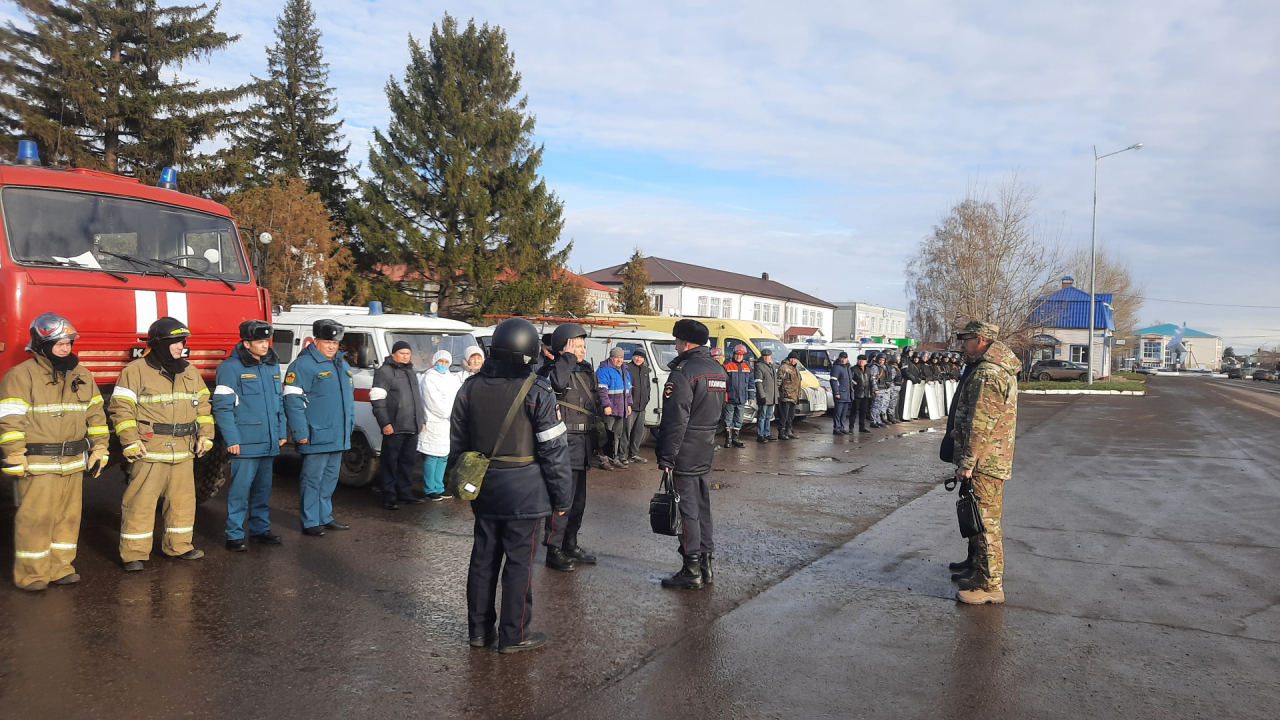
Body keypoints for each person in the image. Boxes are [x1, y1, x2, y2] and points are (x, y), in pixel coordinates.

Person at [449, 318, 572, 653]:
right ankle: (514, 635)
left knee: (483, 559)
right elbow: (554, 451)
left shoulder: (470, 387)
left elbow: (458, 442)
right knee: (519, 564)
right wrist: (563, 498)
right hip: (526, 492)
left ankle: (478, 632)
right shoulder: (537, 390)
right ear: (530, 350)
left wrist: (461, 481)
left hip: (484, 487)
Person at [1, 313, 109, 590]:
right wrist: (14, 454)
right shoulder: (20, 376)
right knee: (36, 519)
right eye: (58, 343)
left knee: (68, 519)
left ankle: (60, 568)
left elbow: (96, 416)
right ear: (41, 344)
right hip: (39, 463)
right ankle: (32, 575)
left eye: (68, 342)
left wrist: (100, 448)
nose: (65, 348)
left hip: (72, 462)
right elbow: (10, 419)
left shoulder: (83, 375)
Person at [111, 317, 214, 571]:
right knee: (141, 503)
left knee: (182, 502)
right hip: (150, 449)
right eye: (175, 342)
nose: (181, 346)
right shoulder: (134, 371)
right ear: (158, 344)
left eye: (182, 342)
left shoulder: (189, 371)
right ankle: (133, 554)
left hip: (183, 450)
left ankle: (178, 546)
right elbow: (121, 409)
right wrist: (130, 441)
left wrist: (206, 434)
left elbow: (203, 406)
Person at [947, 320, 1020, 605]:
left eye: (964, 340)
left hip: (984, 462)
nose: (961, 345)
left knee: (986, 525)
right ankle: (981, 576)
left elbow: (981, 424)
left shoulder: (988, 374)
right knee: (981, 522)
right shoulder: (993, 369)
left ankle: (990, 586)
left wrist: (966, 463)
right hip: (989, 460)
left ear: (979, 340)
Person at [656, 319, 727, 590]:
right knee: (702, 507)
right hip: (705, 446)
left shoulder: (684, 372)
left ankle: (691, 568)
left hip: (685, 449)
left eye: (676, 342)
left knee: (686, 510)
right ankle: (706, 565)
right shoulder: (717, 369)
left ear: (684, 343)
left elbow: (675, 420)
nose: (675, 347)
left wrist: (666, 456)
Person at [212, 320, 288, 552]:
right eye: (260, 342)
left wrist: (282, 431)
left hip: (268, 439)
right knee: (239, 491)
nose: (265, 346)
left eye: (266, 341)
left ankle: (259, 529)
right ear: (246, 343)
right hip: (245, 441)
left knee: (263, 489)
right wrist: (232, 439)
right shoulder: (230, 368)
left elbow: (279, 402)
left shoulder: (272, 366)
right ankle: (234, 534)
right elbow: (222, 407)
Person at [538, 322, 602, 570]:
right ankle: (553, 550)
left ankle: (570, 544)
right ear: (563, 347)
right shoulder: (550, 370)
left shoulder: (585, 371)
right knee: (561, 502)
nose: (581, 350)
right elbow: (555, 385)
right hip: (563, 445)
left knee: (578, 502)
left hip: (583, 444)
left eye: (583, 345)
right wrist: (565, 358)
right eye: (576, 345)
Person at [284, 319, 356, 536]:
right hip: (315, 434)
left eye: (335, 343)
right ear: (315, 341)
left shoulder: (342, 364)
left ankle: (324, 516)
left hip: (337, 433)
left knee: (329, 479)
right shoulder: (303, 365)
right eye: (327, 342)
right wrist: (299, 432)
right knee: (312, 479)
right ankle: (310, 520)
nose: (332, 346)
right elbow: (292, 402)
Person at [371, 340, 426, 510]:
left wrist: (421, 420)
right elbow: (377, 399)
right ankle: (389, 497)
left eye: (408, 353)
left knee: (408, 463)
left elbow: (417, 399)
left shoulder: (410, 371)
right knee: (389, 463)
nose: (406, 356)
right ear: (393, 354)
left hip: (412, 426)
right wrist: (385, 423)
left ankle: (405, 494)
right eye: (402, 353)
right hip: (394, 427)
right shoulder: (384, 372)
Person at [419, 350, 461, 502]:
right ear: (435, 361)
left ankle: (439, 486)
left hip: (448, 422)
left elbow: (458, 397)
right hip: (433, 421)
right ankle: (429, 488)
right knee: (431, 456)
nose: (443, 365)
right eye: (440, 361)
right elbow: (432, 402)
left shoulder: (453, 379)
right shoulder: (428, 378)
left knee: (443, 456)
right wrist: (446, 413)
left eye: (446, 362)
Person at [596, 346, 633, 467]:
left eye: (621, 357)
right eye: (616, 357)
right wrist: (606, 405)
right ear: (611, 358)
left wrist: (628, 404)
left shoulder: (625, 370)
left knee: (617, 435)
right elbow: (602, 390)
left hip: (621, 409)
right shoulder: (604, 370)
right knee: (606, 435)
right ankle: (603, 459)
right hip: (610, 409)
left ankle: (614, 457)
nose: (619, 360)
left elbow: (628, 390)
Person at [721, 345, 754, 447]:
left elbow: (751, 383)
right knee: (728, 420)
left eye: (740, 355)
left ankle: (735, 439)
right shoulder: (727, 365)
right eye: (737, 354)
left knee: (739, 420)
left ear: (743, 355)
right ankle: (728, 440)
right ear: (733, 354)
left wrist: (751, 396)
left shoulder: (747, 366)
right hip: (729, 398)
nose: (738, 357)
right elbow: (722, 382)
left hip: (741, 398)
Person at [624, 348, 652, 462]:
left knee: (638, 433)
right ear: (633, 356)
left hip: (642, 407)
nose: (638, 359)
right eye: (636, 356)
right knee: (626, 432)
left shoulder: (645, 370)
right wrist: (627, 403)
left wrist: (647, 399)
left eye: (641, 357)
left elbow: (648, 386)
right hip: (630, 407)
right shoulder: (627, 368)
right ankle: (621, 456)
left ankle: (633, 455)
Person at [752, 348, 778, 442]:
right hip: (764, 396)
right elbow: (758, 382)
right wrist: (762, 396)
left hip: (772, 396)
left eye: (768, 356)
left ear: (771, 356)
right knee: (762, 416)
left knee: (769, 416)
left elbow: (774, 382)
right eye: (765, 356)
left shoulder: (772, 366)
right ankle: (760, 434)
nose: (767, 358)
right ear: (762, 357)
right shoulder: (759, 366)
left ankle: (767, 433)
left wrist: (776, 395)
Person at [776, 352, 802, 440]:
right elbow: (778, 382)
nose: (793, 360)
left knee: (791, 416)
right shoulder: (784, 367)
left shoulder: (796, 369)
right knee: (784, 415)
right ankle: (781, 431)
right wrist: (777, 395)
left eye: (795, 359)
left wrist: (798, 395)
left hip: (794, 396)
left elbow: (798, 383)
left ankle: (789, 430)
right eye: (792, 358)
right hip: (785, 396)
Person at [830, 351, 852, 434]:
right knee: (838, 413)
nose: (843, 360)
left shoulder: (848, 368)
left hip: (847, 395)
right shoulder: (836, 368)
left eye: (845, 358)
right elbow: (833, 381)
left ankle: (842, 427)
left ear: (847, 358)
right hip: (840, 394)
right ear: (839, 358)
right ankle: (836, 428)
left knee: (844, 413)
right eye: (842, 358)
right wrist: (836, 392)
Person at [850, 354, 873, 433]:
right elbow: (851, 381)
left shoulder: (868, 370)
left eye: (863, 360)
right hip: (857, 393)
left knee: (863, 411)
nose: (861, 361)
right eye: (860, 360)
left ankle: (862, 427)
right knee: (854, 411)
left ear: (866, 361)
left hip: (866, 394)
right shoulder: (853, 369)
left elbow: (871, 381)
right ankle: (851, 428)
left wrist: (871, 392)